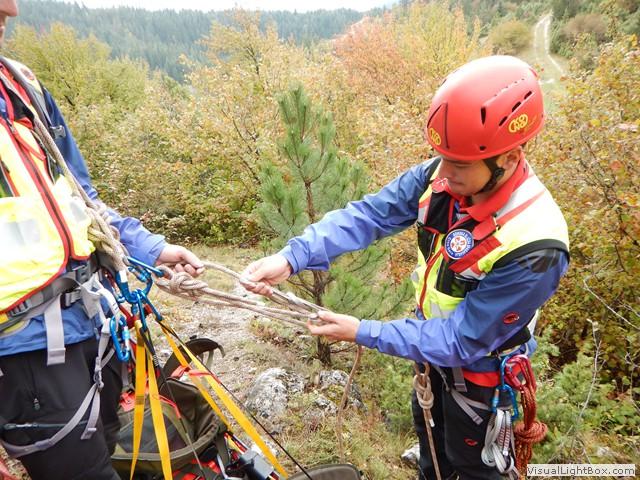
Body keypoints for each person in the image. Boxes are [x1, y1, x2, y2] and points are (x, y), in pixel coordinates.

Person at [242, 55, 569, 479]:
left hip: (482, 375)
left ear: (508, 158)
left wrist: (364, 332)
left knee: (475, 469)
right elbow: (370, 215)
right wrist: (292, 257)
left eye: (459, 165)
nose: (444, 174)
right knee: (433, 457)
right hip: (429, 359)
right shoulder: (440, 177)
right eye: (441, 157)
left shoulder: (536, 241)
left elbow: (464, 338)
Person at [0, 1, 204, 478]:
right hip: (22, 351)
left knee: (112, 446)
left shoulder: (20, 86)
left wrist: (147, 247)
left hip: (91, 327)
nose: (11, 8)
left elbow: (80, 195)